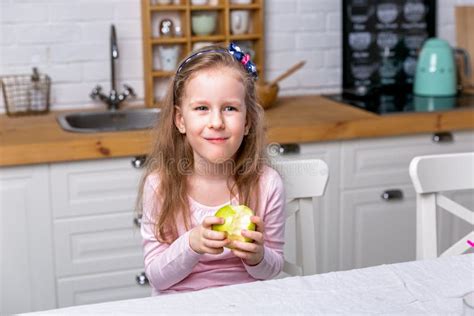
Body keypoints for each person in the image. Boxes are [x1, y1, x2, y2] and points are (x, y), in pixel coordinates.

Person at [137, 43, 285, 295]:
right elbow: (156, 278)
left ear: (247, 121)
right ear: (180, 120)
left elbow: (273, 270)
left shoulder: (267, 184)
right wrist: (191, 244)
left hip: (247, 302)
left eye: (230, 108)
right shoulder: (160, 185)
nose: (216, 122)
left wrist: (258, 257)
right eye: (202, 108)